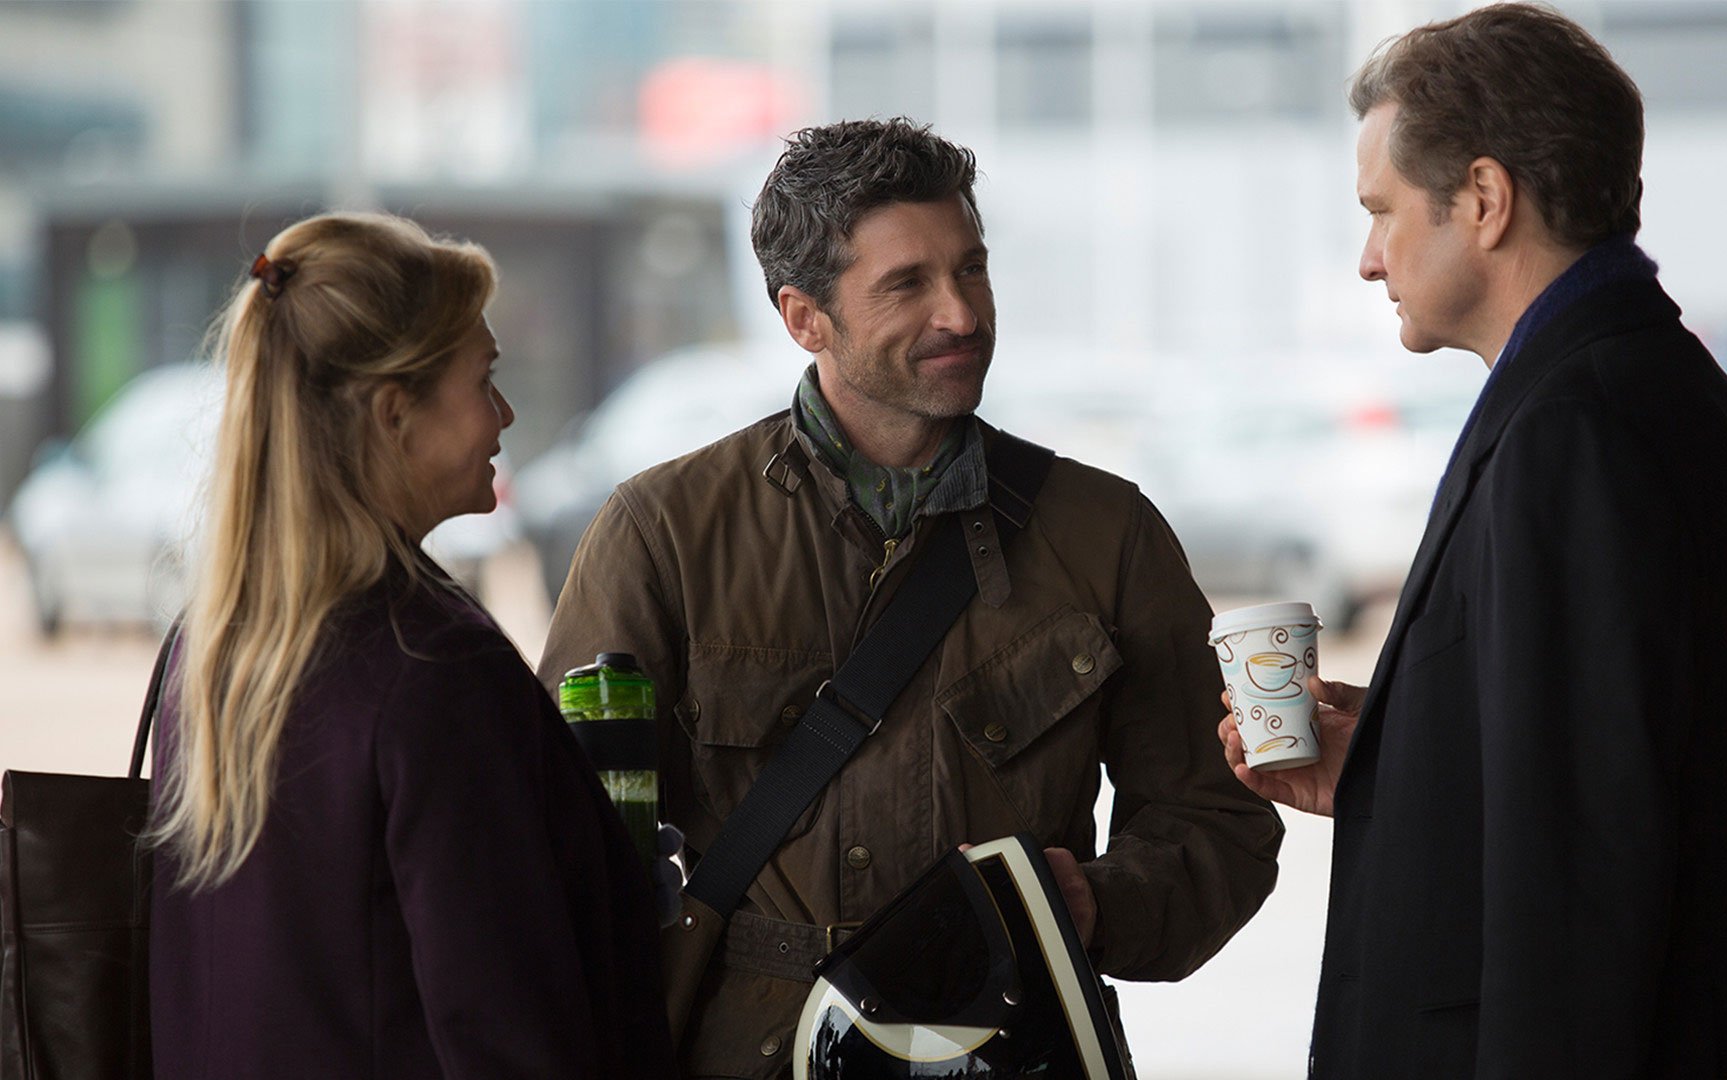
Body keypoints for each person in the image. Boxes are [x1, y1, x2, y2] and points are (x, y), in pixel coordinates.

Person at [539, 118, 1282, 1077]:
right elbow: (555, 841)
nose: (962, 314)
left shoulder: (1109, 532)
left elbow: (1218, 819)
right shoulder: (664, 532)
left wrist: (1096, 904)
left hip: (1016, 1047)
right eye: (907, 284)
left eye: (972, 269)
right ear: (804, 317)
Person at [1219, 5, 1727, 1077]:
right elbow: (1597, 770)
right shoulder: (1649, 390)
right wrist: (1388, 767)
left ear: (1484, 199)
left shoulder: (1577, 432)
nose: (1369, 259)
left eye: (1381, 212)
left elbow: (1582, 880)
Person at [147, 212, 676, 1078]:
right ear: (395, 413)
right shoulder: (434, 669)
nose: (504, 413)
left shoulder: (211, 648)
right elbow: (511, 1034)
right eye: (484, 379)